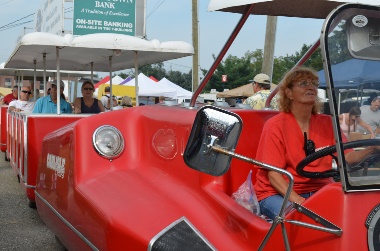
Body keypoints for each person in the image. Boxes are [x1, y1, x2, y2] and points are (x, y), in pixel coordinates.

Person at [253, 66, 380, 220]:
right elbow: (273, 175)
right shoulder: (275, 125)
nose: (311, 87)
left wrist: (373, 149)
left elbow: (346, 157)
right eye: (304, 83)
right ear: (288, 93)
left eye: (314, 84)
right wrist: (300, 202)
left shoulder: (328, 123)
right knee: (305, 219)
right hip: (277, 193)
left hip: (321, 189)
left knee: (358, 215)